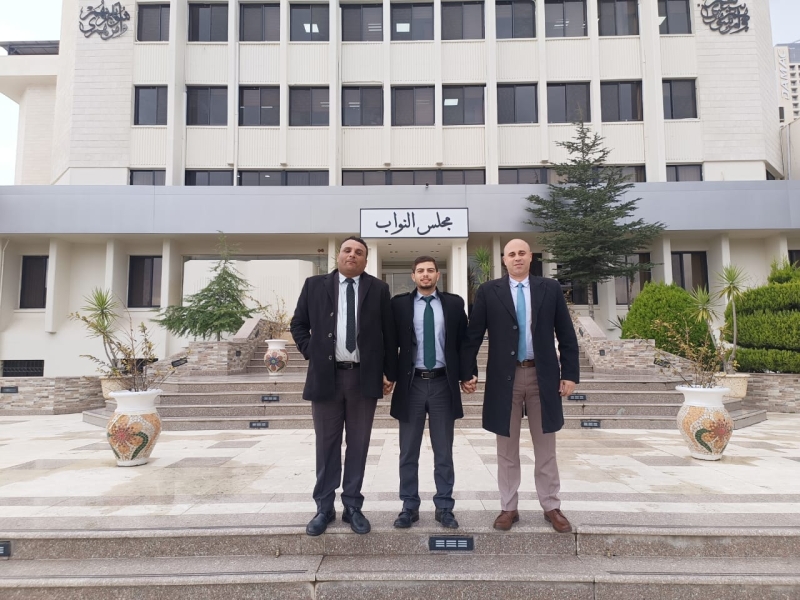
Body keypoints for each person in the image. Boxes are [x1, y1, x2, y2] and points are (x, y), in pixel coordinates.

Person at [461, 239, 579, 533]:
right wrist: (468, 371)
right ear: (504, 259)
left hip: (543, 377)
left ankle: (551, 505)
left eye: (522, 253)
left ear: (530, 257)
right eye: (511, 254)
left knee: (546, 448)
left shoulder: (549, 289)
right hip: (505, 379)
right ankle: (508, 507)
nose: (517, 258)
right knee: (506, 448)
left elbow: (566, 334)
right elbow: (473, 335)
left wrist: (570, 374)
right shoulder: (489, 291)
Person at [290, 236, 396, 536]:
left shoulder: (378, 289)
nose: (352, 255)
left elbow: (389, 333)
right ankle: (324, 507)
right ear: (338, 255)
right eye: (347, 250)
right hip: (326, 377)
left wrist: (389, 372)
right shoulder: (314, 285)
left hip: (363, 378)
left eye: (359, 252)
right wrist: (312, 351)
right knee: (327, 445)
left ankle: (352, 506)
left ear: (365, 260)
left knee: (359, 445)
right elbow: (298, 324)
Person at [389, 256, 475, 530]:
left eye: (430, 270)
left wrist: (468, 373)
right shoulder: (399, 305)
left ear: (438, 275)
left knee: (443, 452)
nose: (425, 275)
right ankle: (409, 506)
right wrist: (388, 375)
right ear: (412, 276)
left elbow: (464, 342)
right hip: (411, 385)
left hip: (442, 384)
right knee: (408, 451)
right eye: (420, 271)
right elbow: (389, 343)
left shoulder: (454, 304)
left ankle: (444, 507)